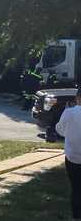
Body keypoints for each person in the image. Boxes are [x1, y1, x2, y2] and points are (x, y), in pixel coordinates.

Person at [56, 89, 81, 221]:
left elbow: (60, 130)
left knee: (76, 187)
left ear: (77, 98)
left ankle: (76, 216)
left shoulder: (69, 112)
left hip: (73, 156)